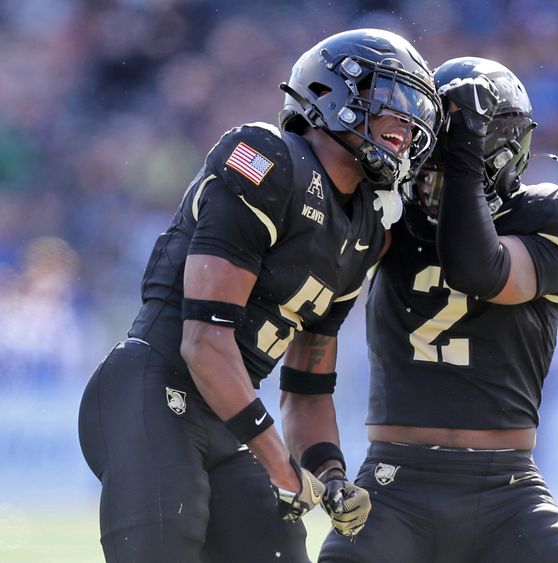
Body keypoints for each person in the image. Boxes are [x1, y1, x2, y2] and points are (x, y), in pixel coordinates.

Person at [78, 28, 443, 563]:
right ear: (330, 92)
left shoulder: (367, 228)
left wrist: (331, 475)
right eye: (393, 98)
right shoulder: (266, 158)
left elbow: (308, 387)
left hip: (231, 420)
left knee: (275, 550)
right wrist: (278, 461)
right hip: (153, 390)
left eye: (417, 111)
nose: (407, 123)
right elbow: (203, 343)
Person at [318, 57, 558, 562]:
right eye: (429, 164)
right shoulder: (390, 210)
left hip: (506, 489)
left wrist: (462, 154)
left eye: (451, 165)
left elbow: (480, 270)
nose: (429, 182)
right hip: (394, 485)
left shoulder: (554, 215)